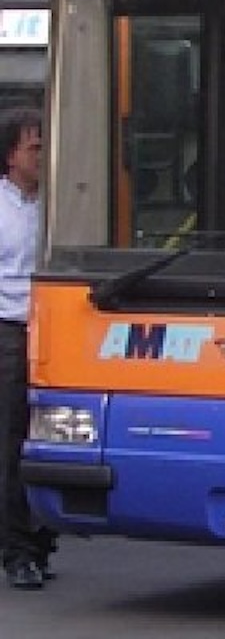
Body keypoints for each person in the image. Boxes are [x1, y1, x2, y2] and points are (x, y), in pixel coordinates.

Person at [0, 107, 57, 590]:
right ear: (11, 155)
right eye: (34, 147)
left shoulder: (56, 204)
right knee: (13, 440)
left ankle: (41, 537)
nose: (42, 156)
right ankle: (17, 547)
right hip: (11, 329)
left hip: (55, 329)